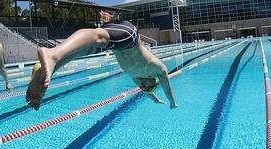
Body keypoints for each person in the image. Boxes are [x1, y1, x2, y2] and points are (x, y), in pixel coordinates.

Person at [26, 11, 177, 110]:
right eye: (149, 87)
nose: (144, 87)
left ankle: (42, 70)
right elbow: (167, 87)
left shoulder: (136, 77)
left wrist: (154, 99)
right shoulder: (156, 69)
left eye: (144, 88)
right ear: (154, 80)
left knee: (82, 51)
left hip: (115, 45)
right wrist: (172, 102)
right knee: (98, 36)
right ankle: (52, 54)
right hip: (129, 36)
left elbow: (147, 91)